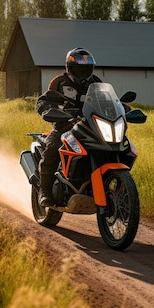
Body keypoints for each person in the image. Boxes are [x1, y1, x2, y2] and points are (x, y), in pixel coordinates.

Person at [35, 47, 101, 207]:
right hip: (64, 127)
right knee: (51, 151)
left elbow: (106, 101)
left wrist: (120, 108)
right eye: (80, 68)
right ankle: (44, 192)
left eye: (87, 68)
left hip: (90, 127)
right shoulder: (59, 82)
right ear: (70, 69)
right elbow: (44, 100)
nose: (84, 72)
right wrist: (46, 108)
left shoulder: (96, 83)